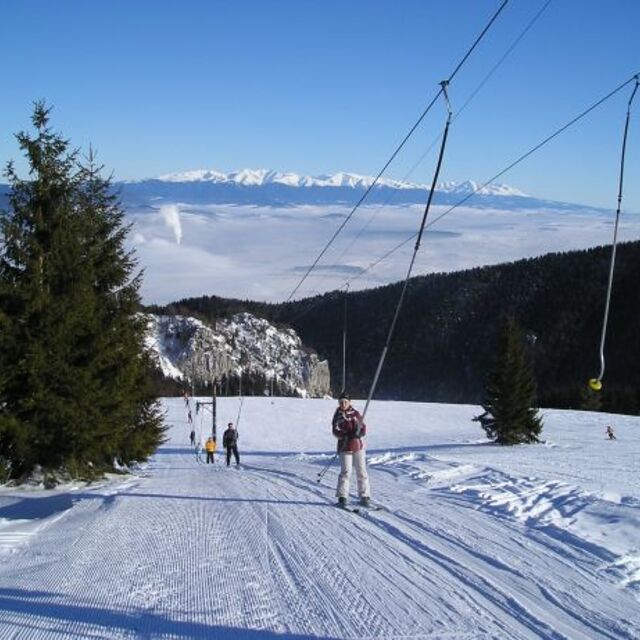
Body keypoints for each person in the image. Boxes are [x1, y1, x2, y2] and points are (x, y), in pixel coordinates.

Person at [332, 392, 371, 508]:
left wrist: (359, 432)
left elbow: (363, 427)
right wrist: (345, 435)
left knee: (361, 471)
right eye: (341, 402)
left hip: (357, 446)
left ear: (349, 402)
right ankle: (342, 497)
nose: (343, 404)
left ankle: (365, 496)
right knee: (346, 472)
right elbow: (335, 430)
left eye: (345, 402)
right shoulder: (338, 415)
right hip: (345, 447)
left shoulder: (355, 414)